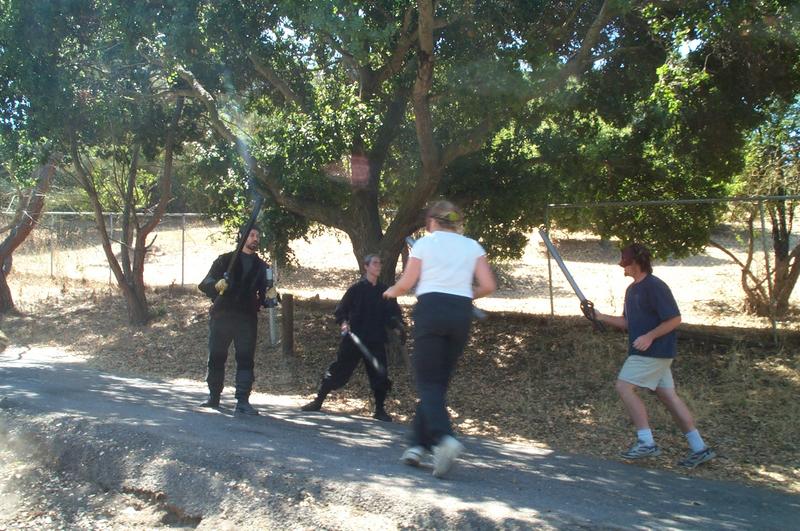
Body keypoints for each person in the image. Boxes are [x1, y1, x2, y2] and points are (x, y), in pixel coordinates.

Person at [383, 200, 496, 478]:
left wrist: (389, 292)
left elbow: (406, 283)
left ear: (432, 221)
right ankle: (418, 445)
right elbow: (488, 285)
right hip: (460, 314)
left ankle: (444, 438)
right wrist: (465, 294)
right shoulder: (472, 246)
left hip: (431, 311)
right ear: (455, 222)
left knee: (427, 383)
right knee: (437, 383)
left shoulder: (425, 244)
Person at [594, 243, 716, 469]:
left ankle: (646, 442)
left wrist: (649, 337)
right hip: (652, 353)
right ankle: (699, 448)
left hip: (652, 352)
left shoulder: (655, 286)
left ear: (636, 262)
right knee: (669, 397)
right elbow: (627, 323)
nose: (622, 266)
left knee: (623, 387)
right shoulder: (632, 290)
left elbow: (674, 319)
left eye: (625, 262)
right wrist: (600, 317)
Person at [300, 254, 404, 422]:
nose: (378, 266)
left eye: (380, 263)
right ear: (366, 267)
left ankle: (379, 410)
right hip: (354, 339)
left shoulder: (385, 291)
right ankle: (318, 401)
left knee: (380, 374)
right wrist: (344, 323)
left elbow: (392, 314)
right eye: (375, 263)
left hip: (375, 339)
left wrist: (398, 327)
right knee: (339, 371)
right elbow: (341, 310)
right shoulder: (355, 290)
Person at [198, 227, 269, 416]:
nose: (256, 239)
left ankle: (243, 401)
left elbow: (266, 297)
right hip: (222, 315)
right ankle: (214, 396)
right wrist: (216, 284)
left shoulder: (262, 267)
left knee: (245, 359)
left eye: (258, 236)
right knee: (216, 356)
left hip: (246, 318)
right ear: (242, 237)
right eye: (252, 235)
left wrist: (270, 295)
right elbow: (204, 283)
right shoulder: (224, 260)